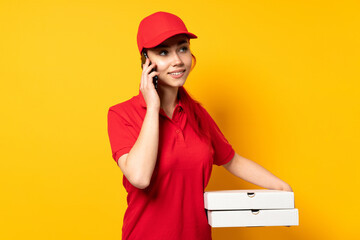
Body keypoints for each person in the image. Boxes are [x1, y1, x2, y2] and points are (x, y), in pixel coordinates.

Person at [107, 11, 292, 240]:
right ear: (146, 61)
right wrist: (153, 108)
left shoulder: (197, 113)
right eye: (164, 52)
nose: (177, 60)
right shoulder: (121, 115)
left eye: (182, 48)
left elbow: (231, 160)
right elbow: (140, 177)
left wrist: (281, 188)